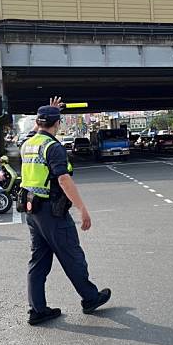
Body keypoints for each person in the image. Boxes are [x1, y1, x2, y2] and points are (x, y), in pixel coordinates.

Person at [21, 103, 111, 326]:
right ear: (58, 124)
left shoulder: (28, 143)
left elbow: (38, 129)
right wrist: (82, 208)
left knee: (38, 261)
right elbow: (63, 179)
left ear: (38, 122)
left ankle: (37, 310)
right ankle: (90, 298)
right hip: (52, 212)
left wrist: (49, 111)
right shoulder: (53, 147)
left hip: (33, 211)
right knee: (72, 255)